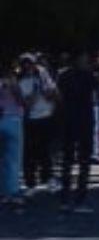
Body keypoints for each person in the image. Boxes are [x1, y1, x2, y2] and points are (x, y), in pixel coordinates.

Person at [56, 50, 98, 211]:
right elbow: (98, 91)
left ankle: (64, 198)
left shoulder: (63, 75)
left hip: (68, 119)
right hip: (84, 119)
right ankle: (80, 198)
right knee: (84, 161)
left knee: (67, 160)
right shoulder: (89, 75)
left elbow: (58, 96)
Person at [16, 53, 58, 192]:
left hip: (45, 116)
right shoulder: (20, 81)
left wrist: (48, 92)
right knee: (30, 152)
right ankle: (30, 182)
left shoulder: (42, 75)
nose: (28, 66)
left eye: (30, 63)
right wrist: (35, 91)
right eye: (25, 63)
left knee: (45, 150)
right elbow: (26, 104)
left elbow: (53, 95)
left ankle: (47, 178)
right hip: (29, 119)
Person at [0, 63, 24, 207]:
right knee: (13, 158)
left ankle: (2, 192)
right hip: (13, 119)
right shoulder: (12, 82)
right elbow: (21, 100)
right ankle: (13, 191)